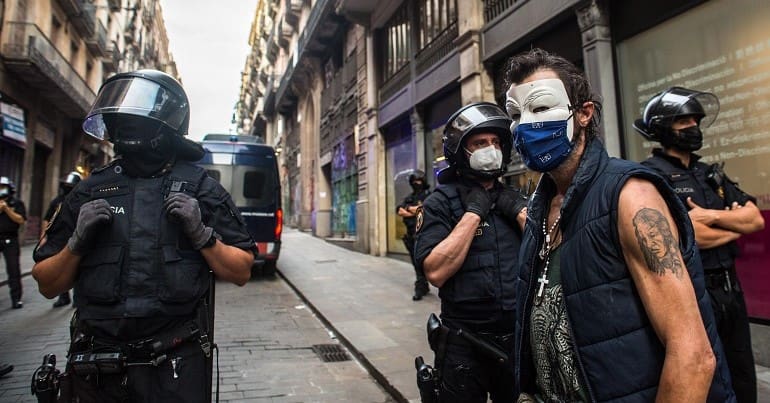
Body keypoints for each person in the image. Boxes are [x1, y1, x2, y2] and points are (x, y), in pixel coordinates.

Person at [502, 48, 735, 402]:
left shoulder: (631, 197)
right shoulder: (539, 205)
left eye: (540, 107)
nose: (525, 125)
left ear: (583, 113)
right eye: (516, 114)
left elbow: (693, 357)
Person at [32, 69, 255, 402]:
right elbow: (48, 283)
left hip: (175, 369)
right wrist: (75, 245)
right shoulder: (89, 191)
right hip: (98, 372)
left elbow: (241, 271)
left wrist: (202, 235)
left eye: (134, 118)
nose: (125, 128)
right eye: (119, 121)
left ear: (167, 124)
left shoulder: (200, 189)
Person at [635, 86, 765, 403]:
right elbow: (687, 236)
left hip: (731, 291)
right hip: (694, 291)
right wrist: (730, 224)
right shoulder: (651, 177)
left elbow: (755, 219)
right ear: (664, 129)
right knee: (708, 376)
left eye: (695, 120)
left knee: (743, 375)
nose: (692, 128)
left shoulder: (708, 173)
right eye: (684, 122)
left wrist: (708, 215)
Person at [413, 102, 528, 402]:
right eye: (479, 143)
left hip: (516, 338)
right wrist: (474, 213)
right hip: (464, 342)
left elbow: (551, 253)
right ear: (460, 152)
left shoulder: (515, 199)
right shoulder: (440, 202)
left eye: (494, 142)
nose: (490, 149)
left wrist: (519, 212)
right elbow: (435, 271)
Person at [42, 171, 83, 308]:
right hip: (58, 240)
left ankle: (78, 297)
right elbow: (47, 219)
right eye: (66, 185)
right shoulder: (57, 201)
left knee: (78, 266)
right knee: (62, 268)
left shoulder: (82, 199)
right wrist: (43, 237)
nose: (67, 188)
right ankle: (63, 296)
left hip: (76, 237)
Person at [397, 170, 431, 300]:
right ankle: (421, 284)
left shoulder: (429, 195)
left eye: (418, 181)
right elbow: (400, 210)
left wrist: (413, 210)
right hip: (411, 235)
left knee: (422, 262)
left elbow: (427, 209)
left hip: (424, 234)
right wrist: (415, 211)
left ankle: (422, 284)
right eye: (414, 181)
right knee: (416, 263)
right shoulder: (410, 197)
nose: (416, 183)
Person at [0, 176, 26, 309]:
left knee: (13, 269)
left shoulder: (16, 203)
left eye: (3, 187)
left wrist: (7, 209)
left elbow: (20, 220)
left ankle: (16, 299)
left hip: (11, 240)